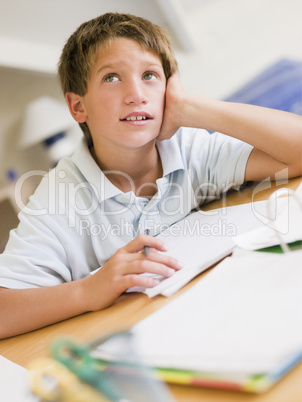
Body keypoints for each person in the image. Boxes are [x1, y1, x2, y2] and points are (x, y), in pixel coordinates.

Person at [0, 12, 301, 339]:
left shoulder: (189, 147)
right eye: (111, 78)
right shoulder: (59, 198)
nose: (136, 94)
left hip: (217, 315)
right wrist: (88, 290)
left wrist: (191, 108)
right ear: (77, 107)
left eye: (150, 75)